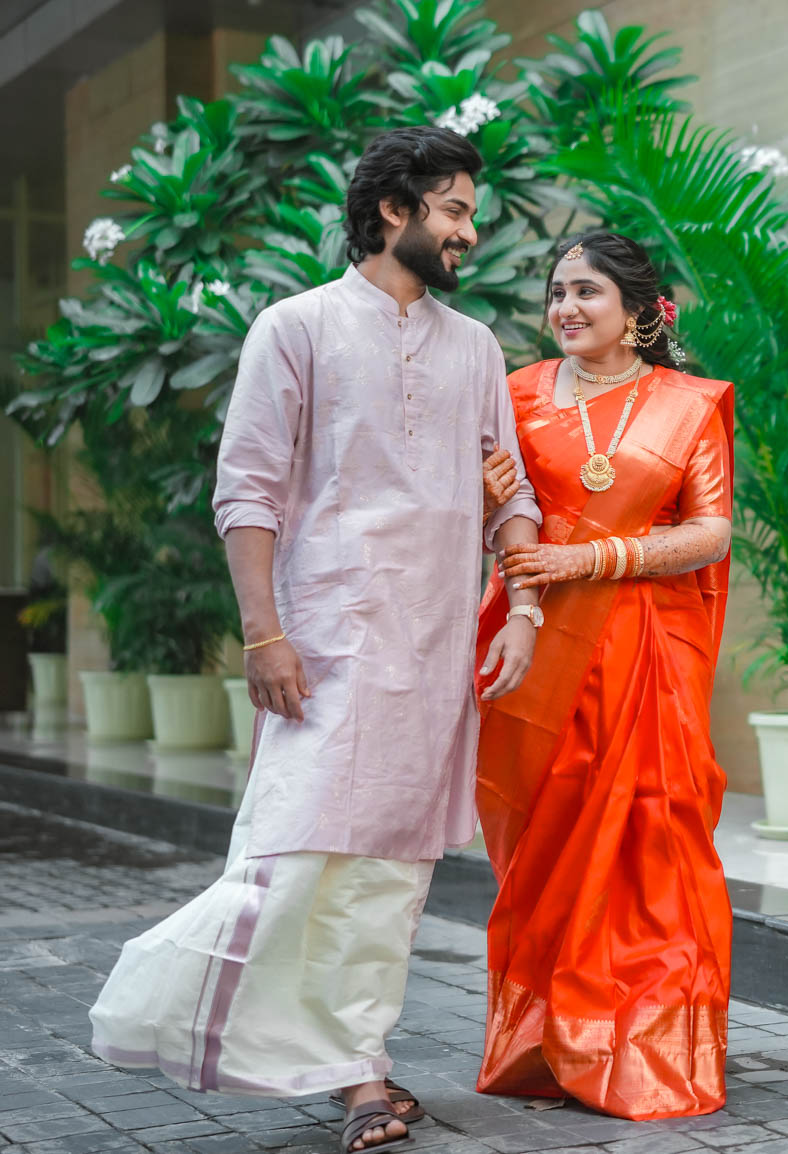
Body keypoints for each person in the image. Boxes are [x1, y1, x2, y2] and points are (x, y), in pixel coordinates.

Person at [87, 125, 545, 1153]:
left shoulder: (474, 348)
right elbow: (246, 490)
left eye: (469, 214)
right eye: (454, 210)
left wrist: (522, 608)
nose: (469, 232)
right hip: (326, 642)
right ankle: (173, 1009)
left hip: (433, 652)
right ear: (394, 210)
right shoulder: (294, 328)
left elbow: (512, 497)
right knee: (289, 856)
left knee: (388, 875)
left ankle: (359, 1071)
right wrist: (264, 635)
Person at [471, 232, 734, 1120]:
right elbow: (500, 512)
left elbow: (710, 533)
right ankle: (551, 1044)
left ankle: (649, 1046)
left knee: (651, 841)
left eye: (586, 291)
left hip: (648, 650)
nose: (566, 308)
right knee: (549, 843)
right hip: (541, 645)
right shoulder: (516, 394)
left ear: (637, 310)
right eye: (557, 293)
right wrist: (487, 503)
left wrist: (591, 558)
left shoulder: (686, 405)